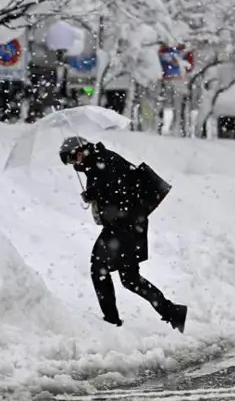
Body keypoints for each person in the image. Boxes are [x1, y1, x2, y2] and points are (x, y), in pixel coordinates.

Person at [59, 136, 187, 332]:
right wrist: (94, 194)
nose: (74, 163)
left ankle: (111, 321)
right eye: (69, 161)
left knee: (99, 268)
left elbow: (120, 191)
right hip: (128, 225)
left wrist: (95, 194)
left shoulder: (105, 161)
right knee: (130, 279)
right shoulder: (96, 163)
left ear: (81, 149)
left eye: (73, 157)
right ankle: (172, 311)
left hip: (124, 226)